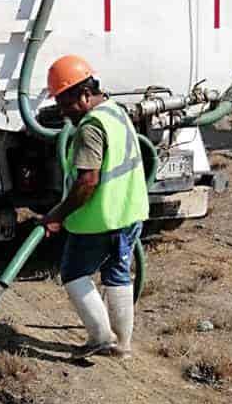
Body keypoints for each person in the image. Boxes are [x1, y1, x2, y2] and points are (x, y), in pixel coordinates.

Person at [38, 55, 149, 359]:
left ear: (85, 94)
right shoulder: (116, 112)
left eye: (65, 102)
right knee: (118, 274)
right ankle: (122, 346)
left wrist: (57, 215)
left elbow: (87, 181)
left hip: (98, 219)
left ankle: (101, 337)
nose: (62, 111)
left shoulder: (89, 127)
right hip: (128, 213)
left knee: (73, 273)